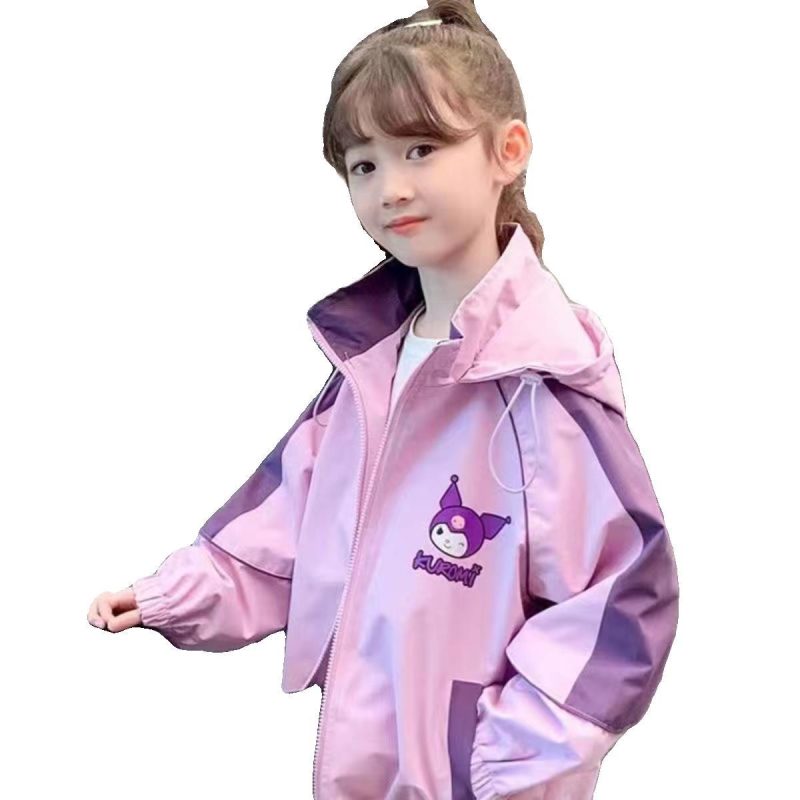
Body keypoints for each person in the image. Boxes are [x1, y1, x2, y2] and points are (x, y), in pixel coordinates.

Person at [87, 2, 680, 798]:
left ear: (508, 151)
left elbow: (620, 602)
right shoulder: (368, 371)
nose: (390, 187)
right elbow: (283, 528)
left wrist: (502, 760)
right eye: (363, 165)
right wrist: (172, 595)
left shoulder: (544, 390)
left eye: (420, 150)